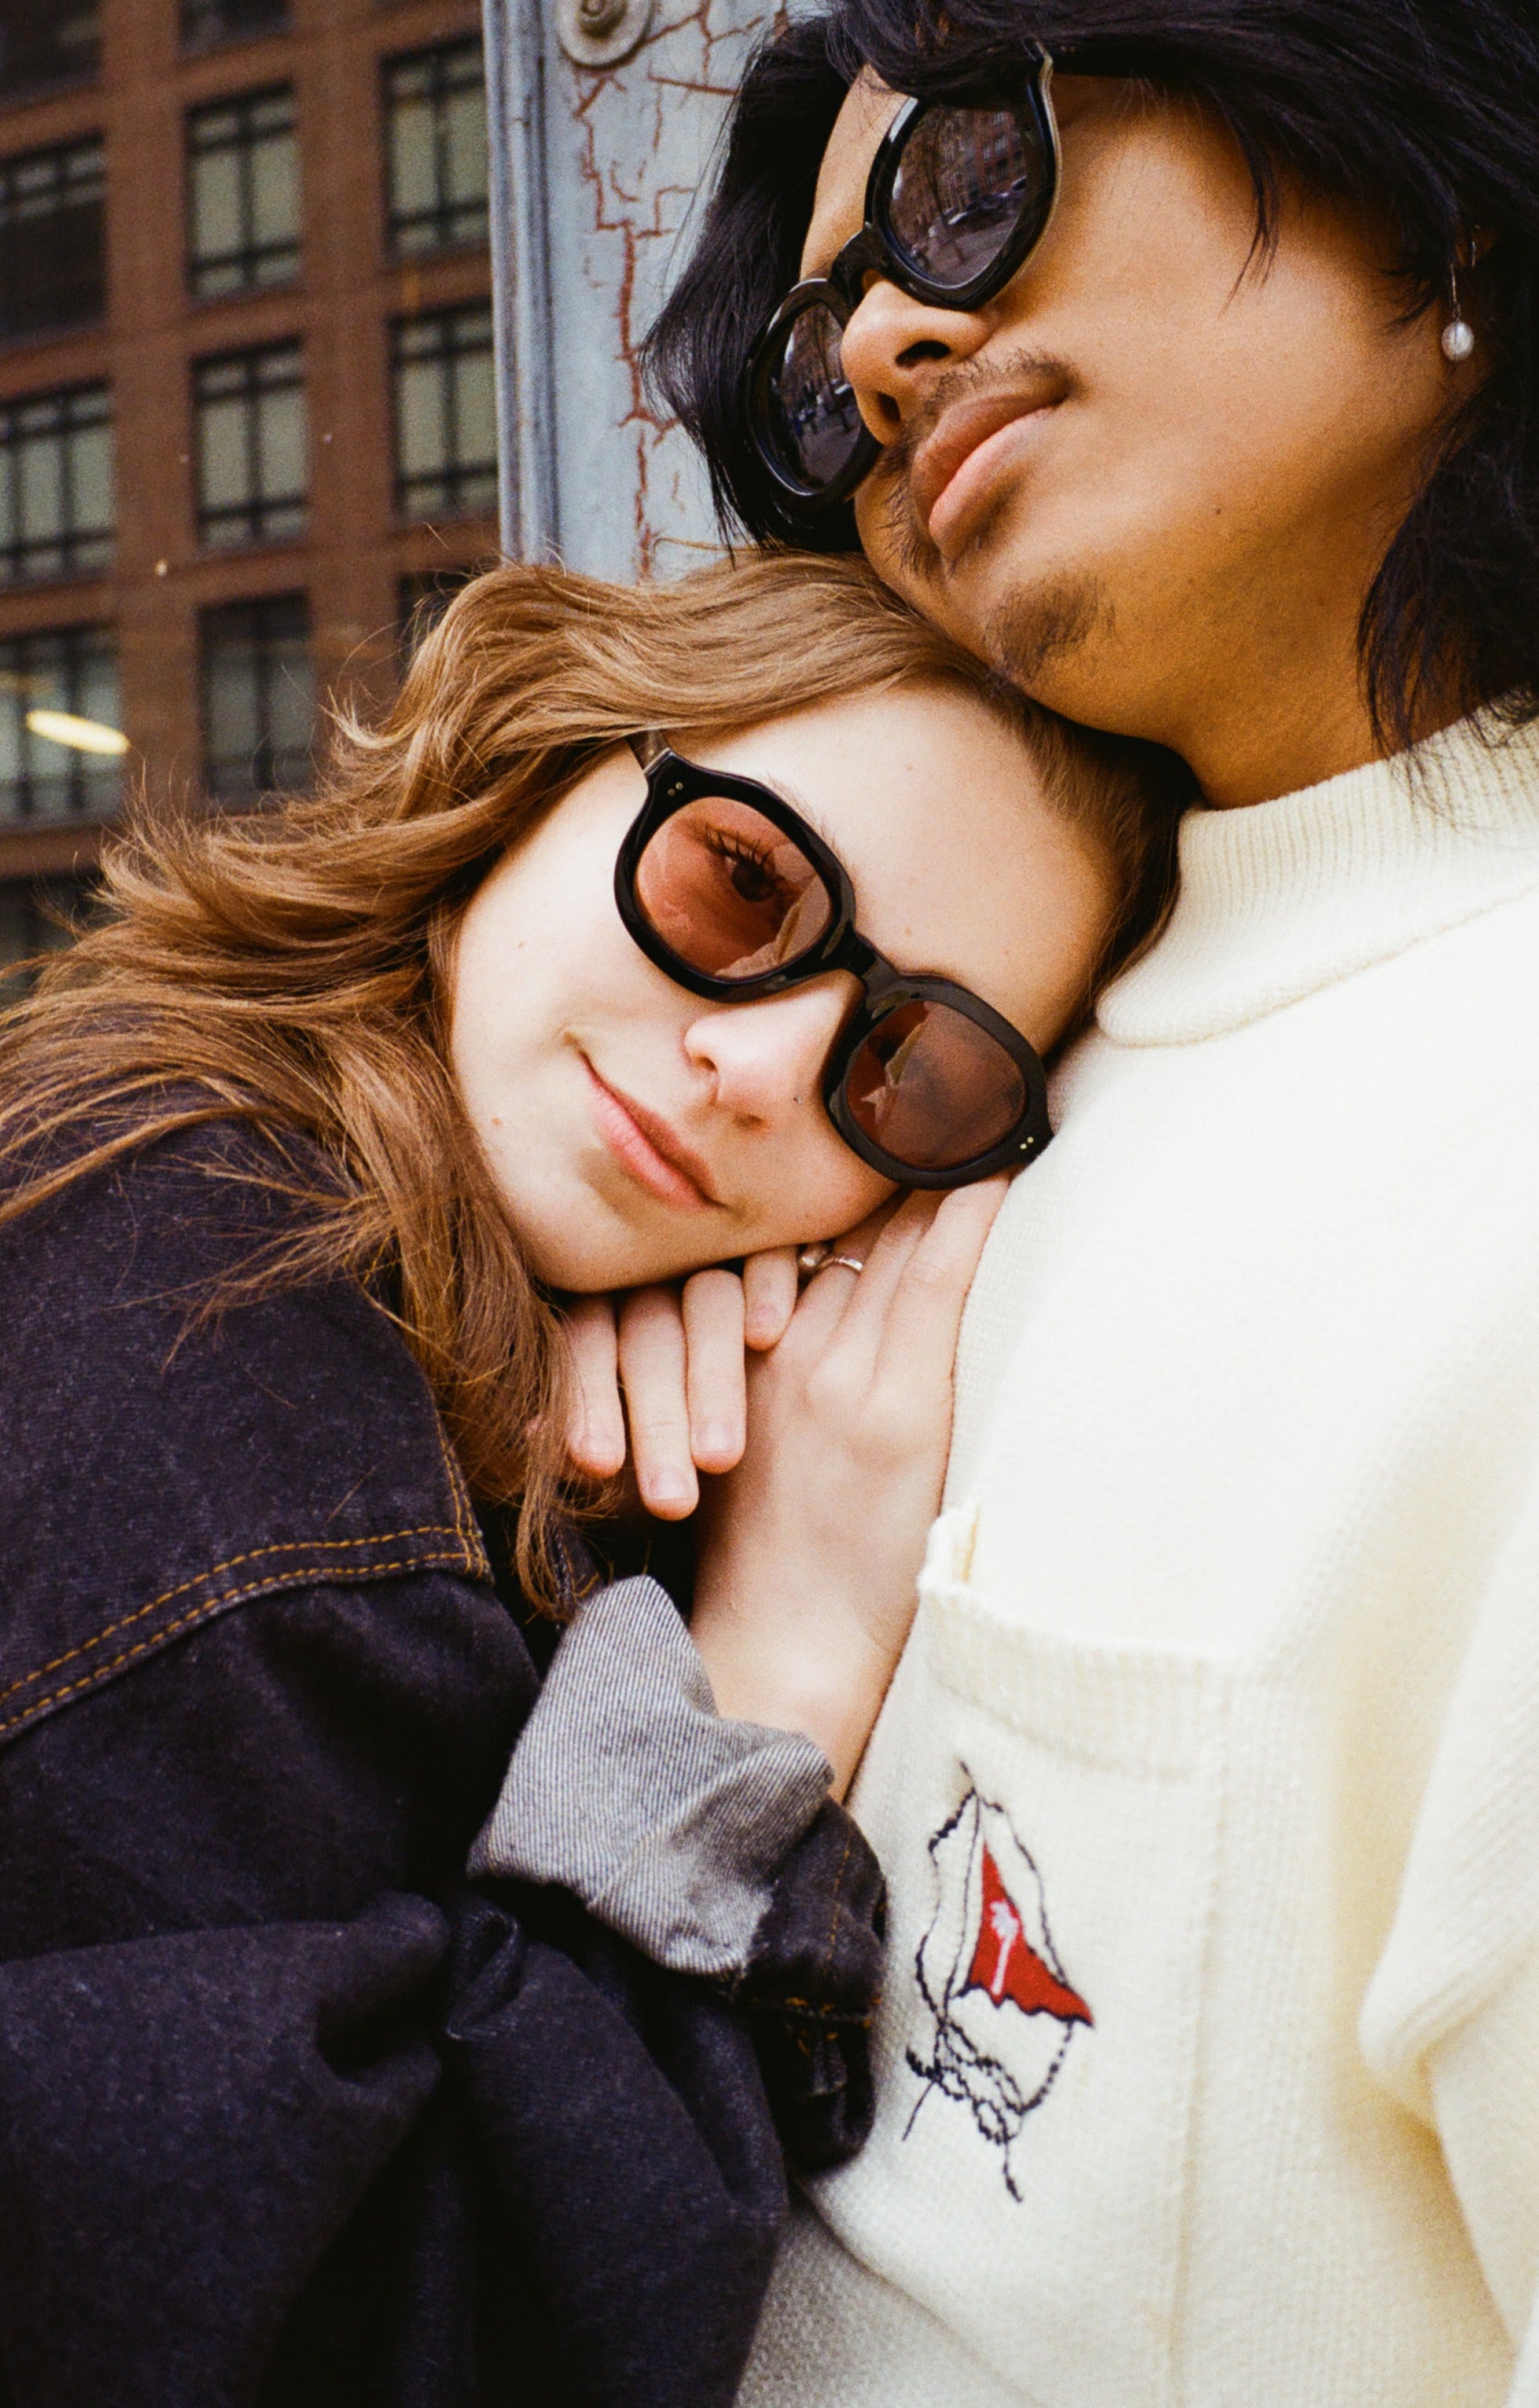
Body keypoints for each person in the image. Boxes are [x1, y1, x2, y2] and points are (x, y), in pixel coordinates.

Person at [0, 551, 1170, 2408]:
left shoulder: (218, 1164)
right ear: (542, 755)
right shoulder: (220, 1335)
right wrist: (764, 1665)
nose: (760, 1066)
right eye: (743, 882)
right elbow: (387, 2315)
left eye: (914, 1072)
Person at [643, 3, 1539, 2403]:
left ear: (1422, 143)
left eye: (956, 191)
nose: (900, 356)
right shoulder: (942, 1050)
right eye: (823, 378)